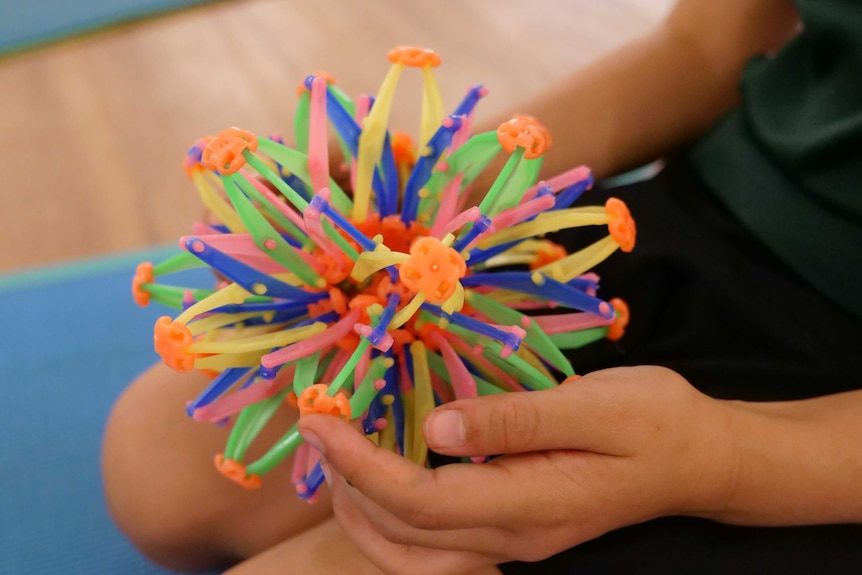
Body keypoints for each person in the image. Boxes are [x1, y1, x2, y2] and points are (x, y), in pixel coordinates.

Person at [101, 0, 862, 573]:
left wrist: (722, 460)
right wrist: (435, 195)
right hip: (694, 227)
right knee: (155, 470)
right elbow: (701, 46)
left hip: (826, 410)